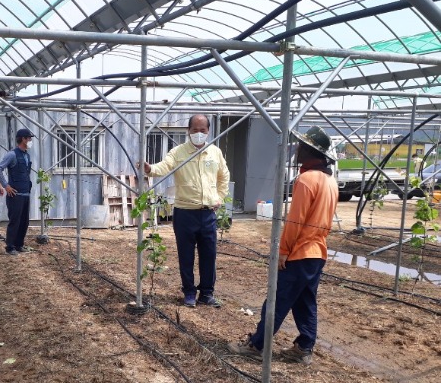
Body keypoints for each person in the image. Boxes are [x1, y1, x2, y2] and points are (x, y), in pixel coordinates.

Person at [228, 125, 339, 365]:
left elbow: (295, 221)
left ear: (311, 151)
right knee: (305, 300)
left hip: (300, 252)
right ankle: (304, 346)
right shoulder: (330, 181)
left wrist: (284, 250)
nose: (297, 149)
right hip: (317, 252)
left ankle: (256, 345)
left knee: (276, 300)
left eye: (301, 145)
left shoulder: (306, 179)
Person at [141, 114, 230, 307]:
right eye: (195, 130)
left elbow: (224, 177)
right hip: (185, 213)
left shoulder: (215, 153)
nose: (199, 134)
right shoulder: (179, 152)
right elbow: (164, 167)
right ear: (188, 131)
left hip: (207, 213)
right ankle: (189, 292)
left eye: (203, 130)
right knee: (186, 255)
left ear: (208, 131)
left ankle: (207, 293)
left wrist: (219, 198)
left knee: (209, 255)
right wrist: (150, 169)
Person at [0, 128, 35, 255]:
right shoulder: (12, 154)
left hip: (25, 193)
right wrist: (6, 185)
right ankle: (10, 246)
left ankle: (19, 244)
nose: (30, 141)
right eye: (29, 138)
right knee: (15, 221)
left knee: (24, 221)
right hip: (15, 195)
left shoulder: (26, 155)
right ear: (23, 139)